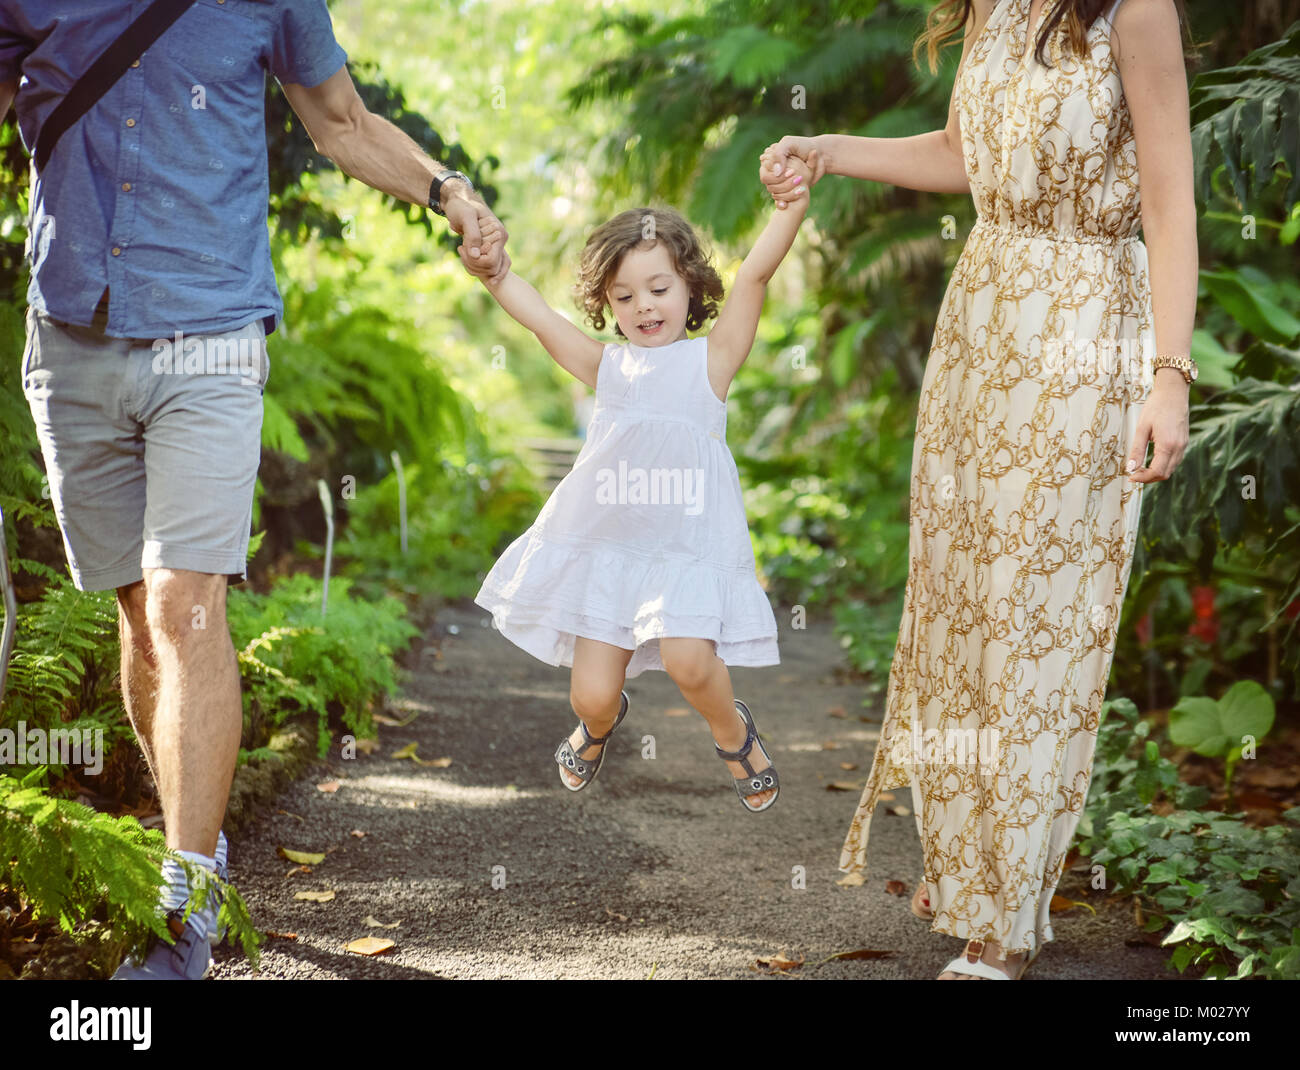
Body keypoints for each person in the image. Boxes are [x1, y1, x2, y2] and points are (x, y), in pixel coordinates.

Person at [0, 0, 508, 979]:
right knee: (142, 613)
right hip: (70, 334)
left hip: (211, 333)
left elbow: (343, 122)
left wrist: (448, 191)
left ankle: (183, 903)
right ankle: (194, 855)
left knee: (188, 605)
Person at [760, 0, 1195, 978]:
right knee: (964, 617)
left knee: (1044, 618)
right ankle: (968, 881)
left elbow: (1169, 198)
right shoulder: (994, 7)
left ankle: (1005, 917)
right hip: (984, 321)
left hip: (1089, 325)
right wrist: (828, 149)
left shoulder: (1136, 9)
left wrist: (1169, 374)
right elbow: (960, 153)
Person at [469, 185, 814, 812]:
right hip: (610, 549)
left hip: (686, 549)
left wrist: (791, 204)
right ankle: (598, 727)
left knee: (688, 659)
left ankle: (732, 733)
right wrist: (496, 276)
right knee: (592, 697)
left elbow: (758, 272)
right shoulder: (607, 367)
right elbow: (541, 317)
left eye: (659, 289)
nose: (644, 306)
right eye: (623, 296)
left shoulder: (712, 360)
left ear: (690, 286)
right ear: (607, 304)